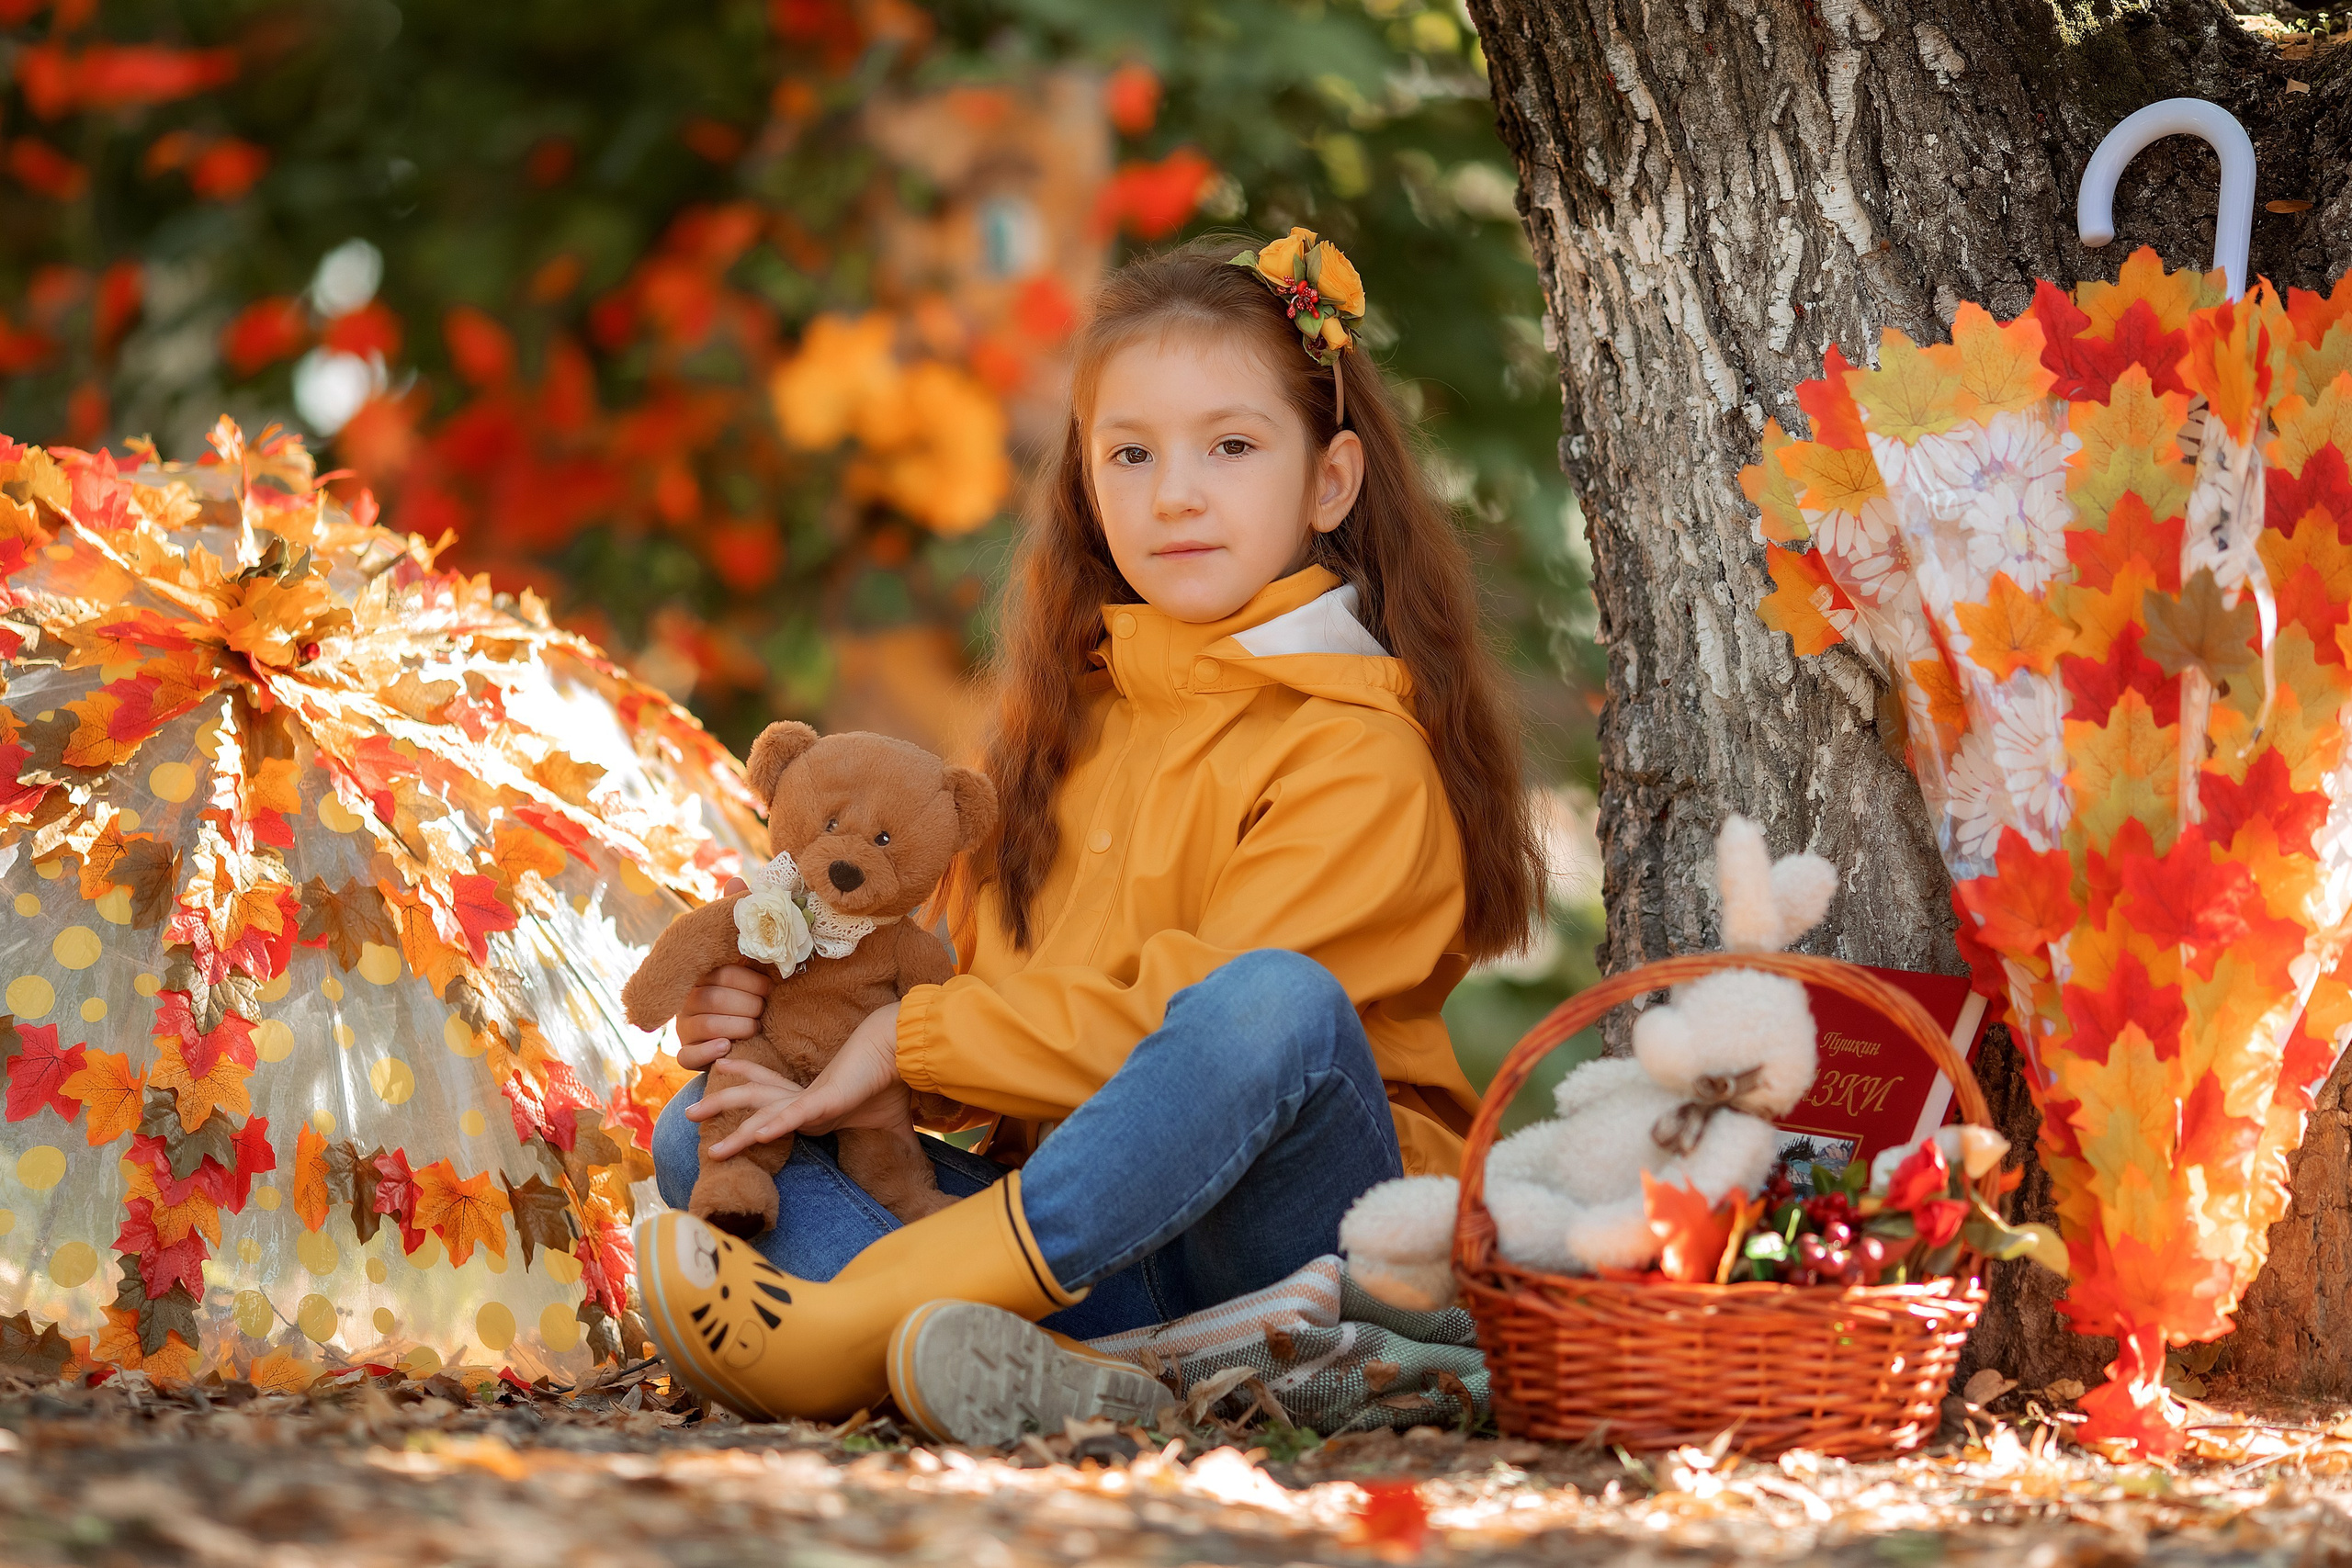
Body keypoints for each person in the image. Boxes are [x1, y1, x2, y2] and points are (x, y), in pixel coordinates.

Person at [633, 232, 1545, 1440]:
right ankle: (1136, 1371)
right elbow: (954, 1030)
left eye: (1231, 445)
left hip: (1287, 1241)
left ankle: (863, 1327)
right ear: (1087, 486)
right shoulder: (1054, 740)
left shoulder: (1354, 748)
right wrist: (799, 1049)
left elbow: (1199, 1035)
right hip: (1089, 1247)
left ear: (1329, 483)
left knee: (1268, 1000)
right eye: (1132, 454)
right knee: (708, 1138)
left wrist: (908, 1040)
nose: (1176, 492)